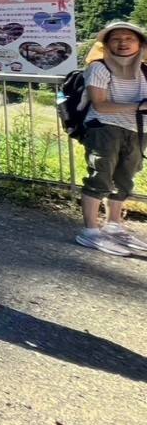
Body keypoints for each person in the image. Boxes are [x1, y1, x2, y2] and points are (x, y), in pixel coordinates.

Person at [74, 20, 147, 256]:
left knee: (125, 179)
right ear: (106, 44)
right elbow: (100, 105)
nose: (123, 43)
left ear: (140, 44)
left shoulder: (144, 69)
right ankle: (90, 232)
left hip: (137, 130)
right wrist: (138, 107)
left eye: (129, 38)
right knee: (100, 177)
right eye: (116, 39)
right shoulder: (99, 68)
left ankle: (114, 226)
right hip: (104, 128)